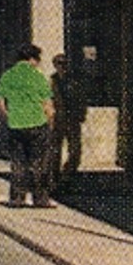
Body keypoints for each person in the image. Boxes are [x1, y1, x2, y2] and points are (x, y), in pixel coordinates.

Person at [0, 43, 56, 208]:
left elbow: (0, 102)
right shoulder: (38, 76)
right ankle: (40, 199)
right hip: (37, 123)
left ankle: (17, 198)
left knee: (18, 162)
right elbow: (47, 105)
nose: (39, 63)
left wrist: (8, 118)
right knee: (39, 163)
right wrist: (50, 122)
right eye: (38, 59)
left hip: (15, 125)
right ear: (32, 59)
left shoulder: (7, 76)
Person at [51, 53, 87, 190]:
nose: (62, 66)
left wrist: (82, 113)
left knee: (75, 150)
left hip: (72, 118)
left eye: (64, 63)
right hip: (57, 119)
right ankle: (54, 177)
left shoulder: (74, 80)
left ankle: (68, 174)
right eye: (59, 63)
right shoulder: (52, 81)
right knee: (55, 150)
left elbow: (81, 97)